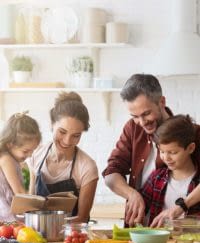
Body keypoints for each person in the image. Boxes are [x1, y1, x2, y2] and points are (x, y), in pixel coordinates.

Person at [102, 74, 200, 227]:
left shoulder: (192, 133)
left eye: (146, 113)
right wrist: (132, 194)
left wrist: (182, 205)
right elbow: (111, 173)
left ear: (161, 102)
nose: (141, 122)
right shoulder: (132, 128)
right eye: (135, 116)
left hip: (187, 231)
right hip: (141, 229)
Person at [28, 92, 98, 223]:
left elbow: (82, 219)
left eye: (76, 135)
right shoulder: (36, 154)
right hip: (36, 236)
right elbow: (31, 206)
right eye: (62, 132)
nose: (67, 141)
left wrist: (50, 227)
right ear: (51, 124)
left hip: (71, 238)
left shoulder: (87, 167)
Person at [141, 114, 200, 227]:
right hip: (157, 242)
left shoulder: (197, 182)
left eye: (173, 153)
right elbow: (141, 208)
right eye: (162, 151)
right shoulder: (156, 177)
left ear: (191, 148)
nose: (166, 158)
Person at [0, 112, 41, 221]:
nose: (30, 155)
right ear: (10, 144)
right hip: (5, 215)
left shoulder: (13, 159)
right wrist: (39, 206)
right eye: (26, 151)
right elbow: (18, 191)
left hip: (10, 212)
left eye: (32, 150)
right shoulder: (6, 159)